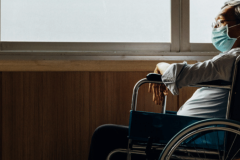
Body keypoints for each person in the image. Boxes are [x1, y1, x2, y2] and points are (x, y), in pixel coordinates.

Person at [88, 1, 240, 159]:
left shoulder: (232, 59)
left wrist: (160, 65)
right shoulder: (231, 60)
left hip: (190, 139)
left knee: (104, 134)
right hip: (193, 134)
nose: (216, 27)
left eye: (221, 22)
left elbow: (180, 74)